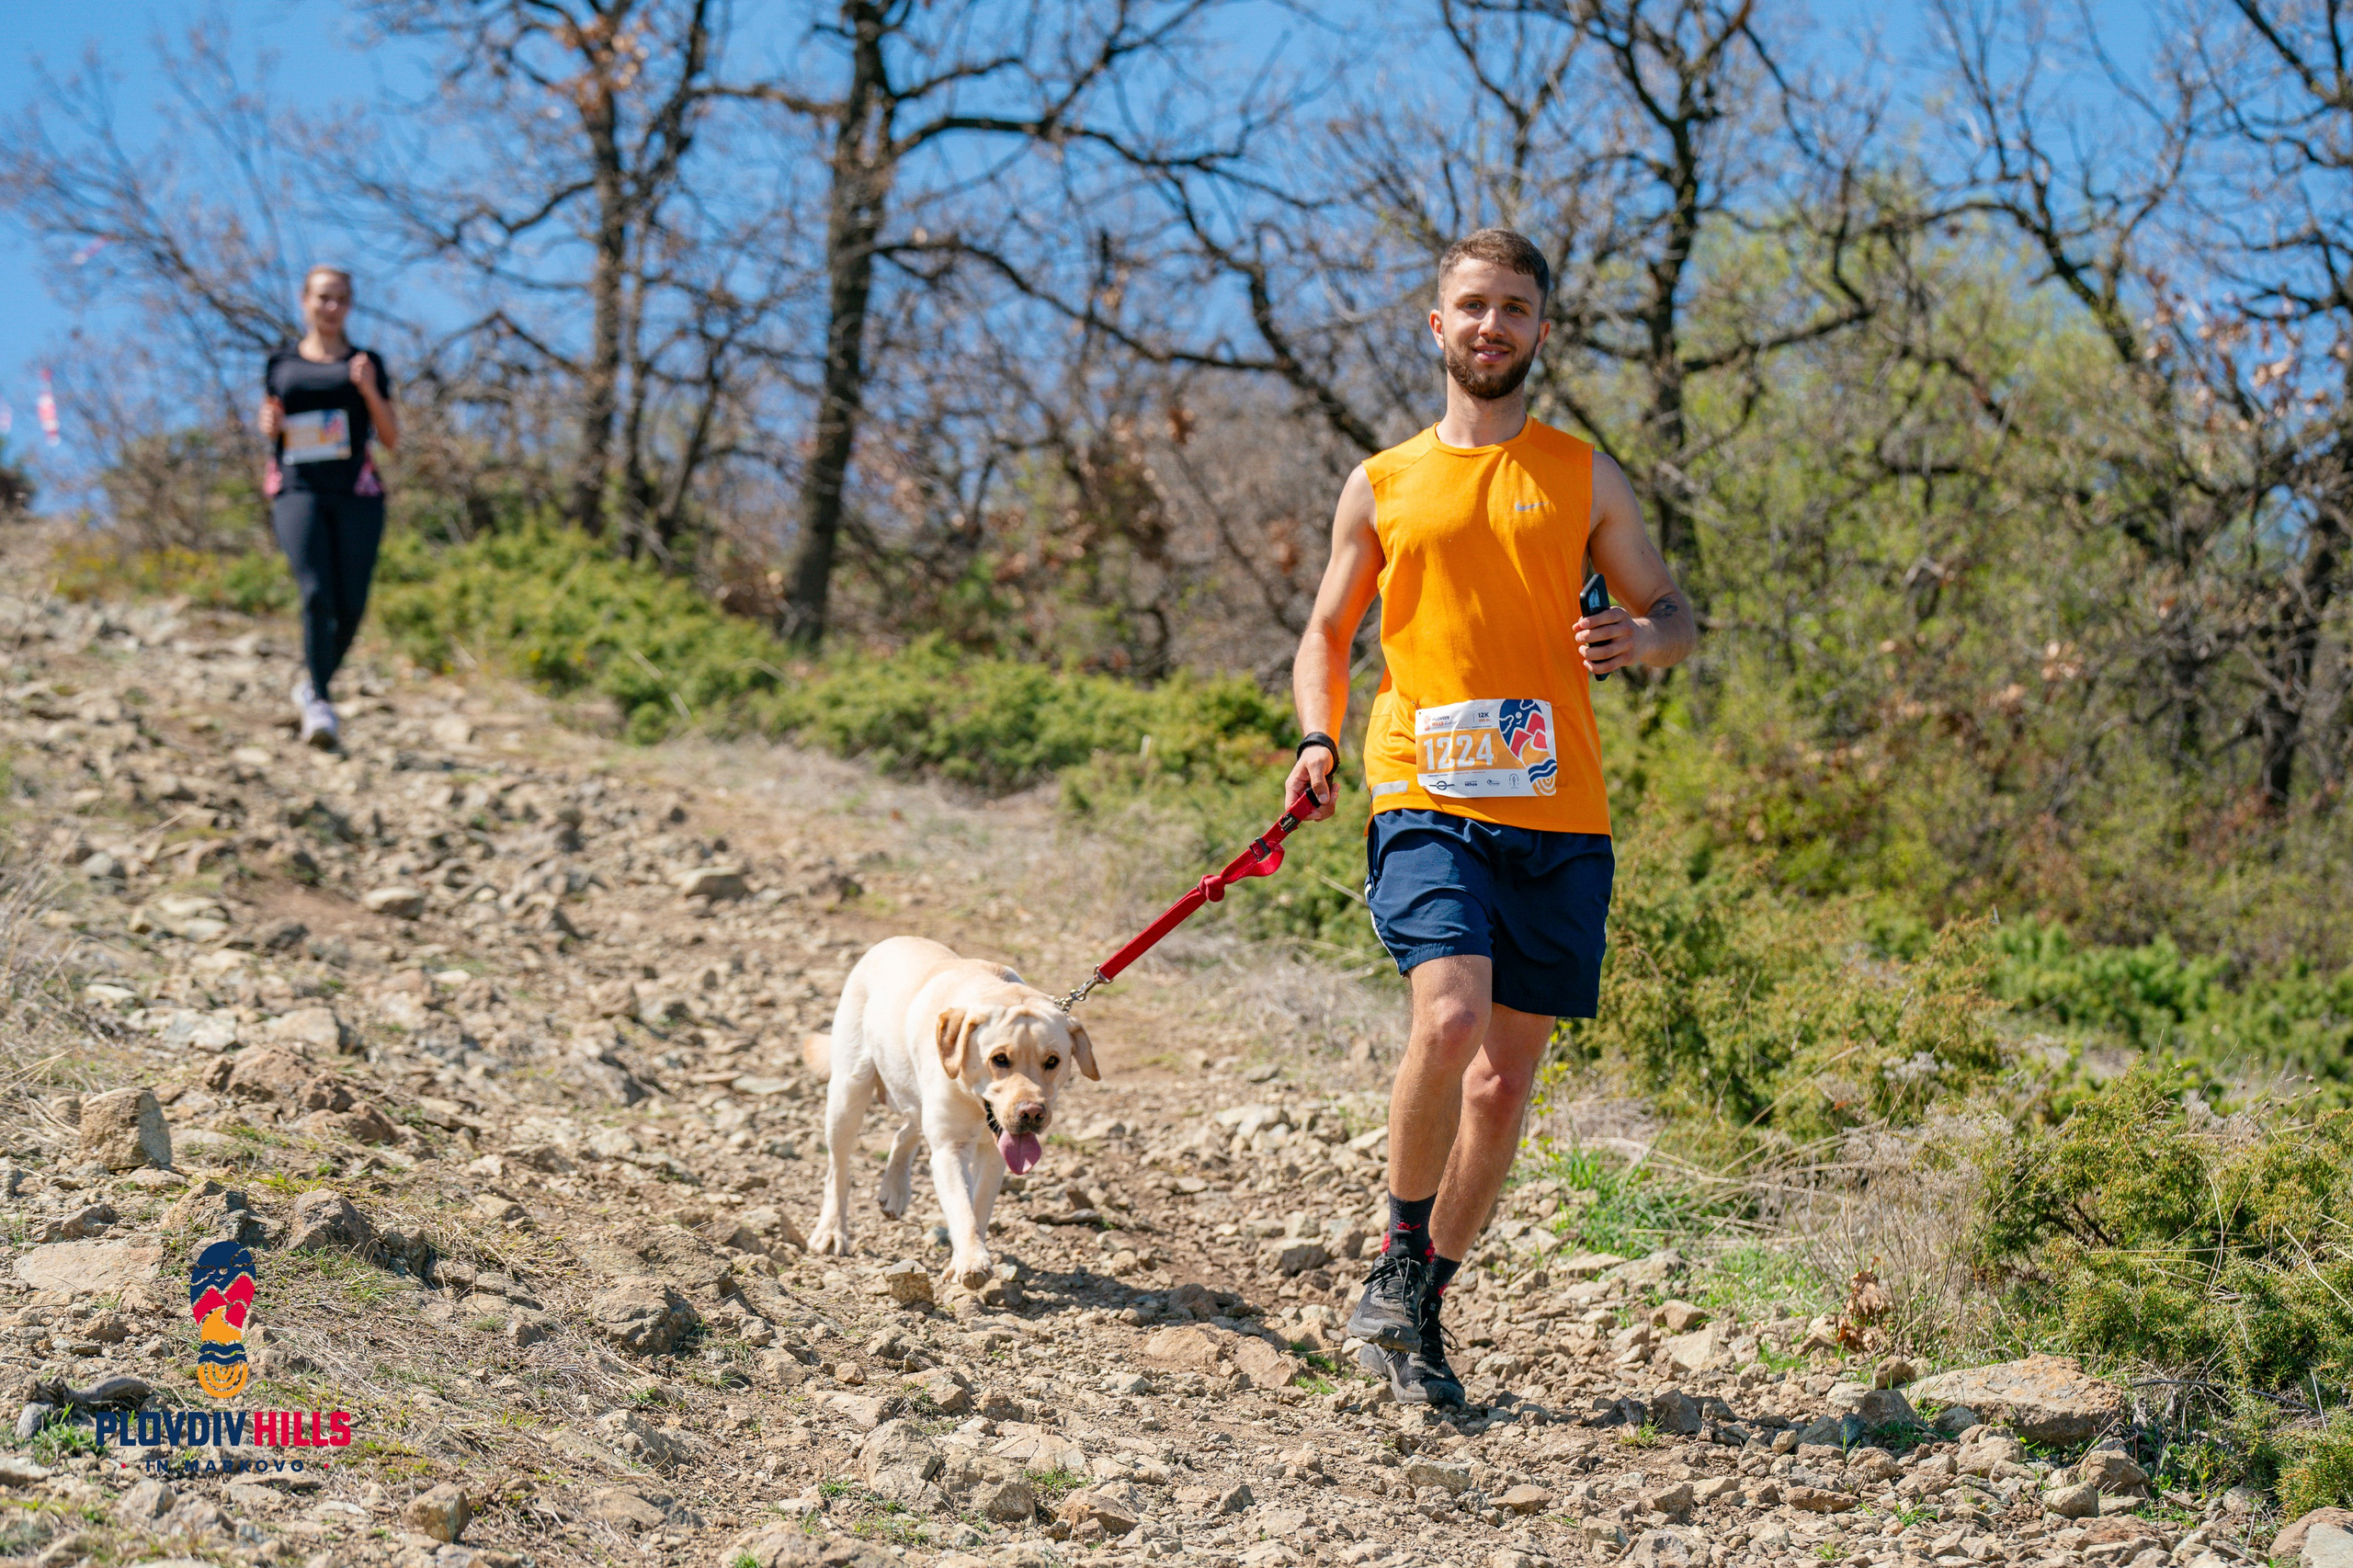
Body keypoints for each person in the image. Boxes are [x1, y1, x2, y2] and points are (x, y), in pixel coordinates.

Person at [1286, 228, 1696, 1406]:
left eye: (1514, 308)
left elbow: (1669, 610)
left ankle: (1418, 1301)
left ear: (1541, 330)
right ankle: (1397, 1245)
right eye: (1472, 305)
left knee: (1504, 1086)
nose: (1491, 326)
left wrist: (1641, 636)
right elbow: (1326, 633)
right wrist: (1319, 738)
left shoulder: (1583, 475)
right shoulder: (1382, 480)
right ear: (1437, 324)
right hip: (1426, 787)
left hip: (1560, 813)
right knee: (1451, 1012)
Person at [257, 265, 399, 749]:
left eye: (340, 298)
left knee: (352, 603)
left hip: (357, 493)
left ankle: (312, 685)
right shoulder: (280, 363)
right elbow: (270, 427)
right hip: (299, 488)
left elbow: (391, 436)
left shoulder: (367, 361)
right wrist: (268, 424)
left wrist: (367, 389)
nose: (331, 307)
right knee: (316, 593)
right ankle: (319, 700)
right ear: (305, 301)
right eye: (322, 297)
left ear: (350, 304)